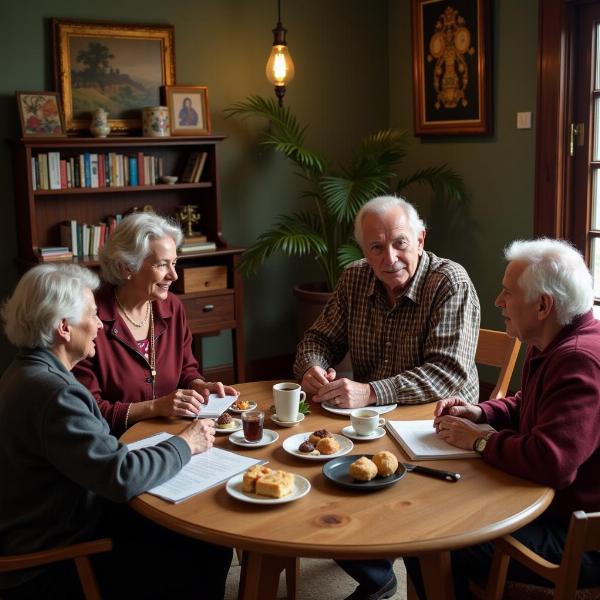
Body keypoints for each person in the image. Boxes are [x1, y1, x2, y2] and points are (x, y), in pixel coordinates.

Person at [0, 263, 232, 599]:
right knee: (208, 546)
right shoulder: (56, 394)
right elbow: (121, 475)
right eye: (92, 315)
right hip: (55, 562)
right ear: (63, 327)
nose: (98, 325)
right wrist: (186, 443)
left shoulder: (24, 372)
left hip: (57, 525)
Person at [293, 195, 480, 599]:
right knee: (311, 485)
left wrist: (371, 391)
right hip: (371, 424)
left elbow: (447, 375)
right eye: (376, 246)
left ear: (421, 239)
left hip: (438, 427)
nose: (390, 256)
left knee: (404, 514)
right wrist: (312, 366)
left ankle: (398, 563)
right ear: (364, 250)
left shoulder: (450, 282)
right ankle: (377, 574)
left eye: (400, 242)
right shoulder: (354, 278)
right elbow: (317, 338)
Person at [405, 238, 600, 599]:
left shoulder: (579, 360)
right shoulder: (552, 342)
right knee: (437, 513)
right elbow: (529, 404)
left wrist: (480, 439)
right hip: (551, 507)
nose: (498, 302)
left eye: (507, 293)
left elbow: (552, 460)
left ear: (543, 305)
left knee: (429, 537)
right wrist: (479, 412)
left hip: (577, 538)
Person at [73, 212, 237, 436]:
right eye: (162, 265)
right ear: (127, 267)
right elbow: (91, 412)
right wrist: (155, 407)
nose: (174, 275)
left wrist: (199, 386)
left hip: (172, 433)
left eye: (174, 263)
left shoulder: (172, 307)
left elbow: (187, 370)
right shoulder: (91, 319)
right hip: (116, 445)